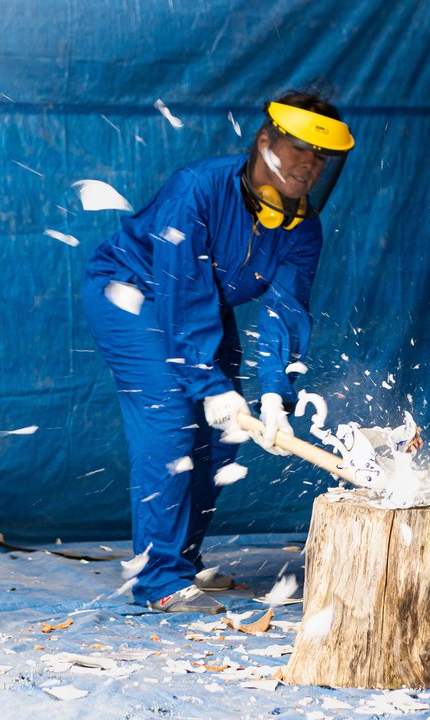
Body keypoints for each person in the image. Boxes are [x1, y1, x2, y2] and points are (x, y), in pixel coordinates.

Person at [82, 92, 355, 613]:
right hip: (133, 292)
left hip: (202, 305)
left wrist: (276, 397)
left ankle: (181, 560)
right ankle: (159, 581)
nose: (308, 164)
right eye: (298, 147)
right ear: (265, 142)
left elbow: (285, 312)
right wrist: (209, 385)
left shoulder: (303, 228)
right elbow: (181, 291)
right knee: (172, 421)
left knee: (224, 434)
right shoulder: (198, 188)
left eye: (320, 155)